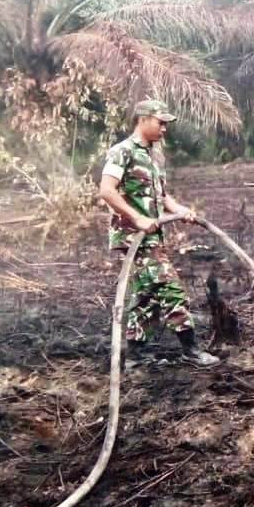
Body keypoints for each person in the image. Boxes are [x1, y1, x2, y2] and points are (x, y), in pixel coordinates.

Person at [99, 99, 218, 367]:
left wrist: (183, 211)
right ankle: (190, 349)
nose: (164, 128)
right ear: (143, 119)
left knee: (147, 295)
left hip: (152, 236)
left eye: (166, 123)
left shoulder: (153, 155)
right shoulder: (122, 151)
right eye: (160, 122)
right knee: (170, 287)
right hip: (133, 238)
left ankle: (137, 356)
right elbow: (106, 190)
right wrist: (138, 218)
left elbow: (162, 197)